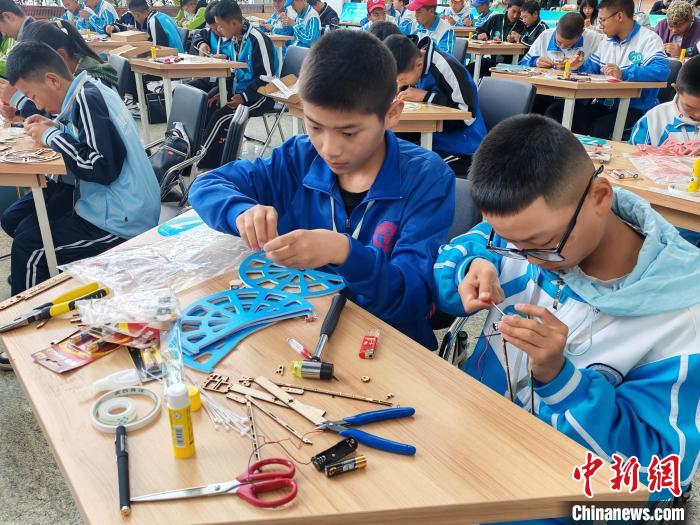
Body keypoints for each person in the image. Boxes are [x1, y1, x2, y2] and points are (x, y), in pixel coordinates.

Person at [433, 114, 700, 511]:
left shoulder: (682, 317)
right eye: (508, 243)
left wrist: (561, 380)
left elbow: (657, 473)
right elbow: (460, 251)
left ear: (600, 197)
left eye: (540, 243)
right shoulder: (523, 233)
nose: (526, 259)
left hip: (565, 495)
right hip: (478, 439)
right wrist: (470, 265)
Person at [189, 30, 455, 350]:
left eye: (349, 132)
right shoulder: (299, 157)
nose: (329, 149)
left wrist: (344, 253)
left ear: (391, 115)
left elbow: (412, 299)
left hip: (385, 341)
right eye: (315, 126)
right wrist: (240, 211)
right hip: (299, 324)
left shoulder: (427, 178)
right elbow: (207, 184)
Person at [3, 41, 160, 295]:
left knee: (30, 249)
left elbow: (102, 167)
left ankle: (29, 313)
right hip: (120, 207)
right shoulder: (90, 89)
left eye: (33, 96)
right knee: (25, 228)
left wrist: (51, 136)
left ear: (53, 80)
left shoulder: (86, 99)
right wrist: (56, 127)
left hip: (121, 220)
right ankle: (53, 290)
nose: (37, 105)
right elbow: (90, 139)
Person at [545, 0, 669, 139]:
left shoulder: (649, 39)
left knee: (600, 127)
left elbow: (661, 71)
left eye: (603, 20)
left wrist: (623, 73)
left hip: (635, 109)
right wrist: (576, 67)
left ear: (619, 16)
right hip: (604, 106)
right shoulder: (606, 42)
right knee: (556, 112)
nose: (600, 25)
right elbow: (591, 69)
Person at [385, 34, 486, 177]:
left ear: (419, 65)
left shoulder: (444, 66)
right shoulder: (413, 64)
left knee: (409, 170)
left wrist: (426, 96)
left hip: (462, 148)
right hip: (432, 139)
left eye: (401, 79)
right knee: (388, 151)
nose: (399, 83)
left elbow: (467, 115)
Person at [198, 0, 276, 168]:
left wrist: (244, 97)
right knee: (208, 105)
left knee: (221, 117)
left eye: (220, 26)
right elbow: (234, 73)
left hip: (261, 96)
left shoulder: (257, 40)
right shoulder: (236, 38)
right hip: (242, 92)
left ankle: (199, 162)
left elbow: (266, 79)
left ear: (233, 23)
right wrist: (223, 92)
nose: (218, 30)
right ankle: (214, 159)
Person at [630, 55, 700, 146]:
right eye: (690, 107)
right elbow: (633, 151)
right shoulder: (654, 119)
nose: (698, 115)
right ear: (676, 90)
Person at [519, 13, 600, 68]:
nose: (562, 47)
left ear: (582, 32)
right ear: (556, 26)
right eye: (559, 42)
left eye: (568, 45)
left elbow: (600, 71)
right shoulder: (545, 36)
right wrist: (535, 61)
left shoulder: (593, 39)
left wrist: (578, 67)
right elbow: (522, 64)